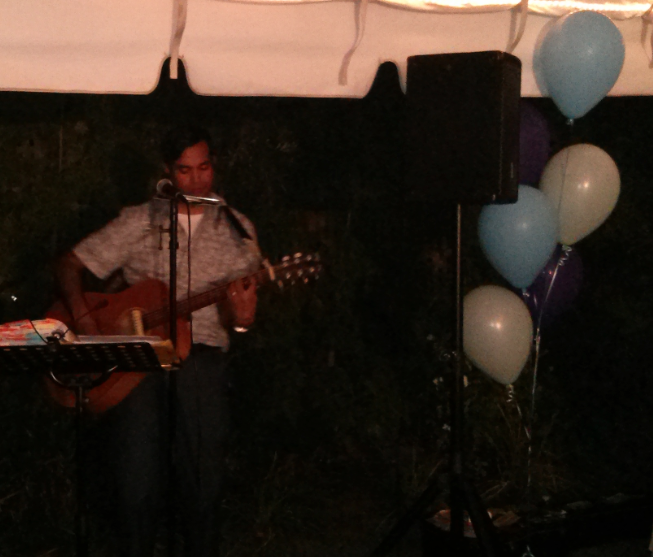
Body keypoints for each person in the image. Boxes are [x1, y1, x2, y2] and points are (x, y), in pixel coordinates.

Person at [55, 125, 261, 557]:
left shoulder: (238, 230)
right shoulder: (140, 221)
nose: (197, 179)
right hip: (137, 356)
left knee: (202, 475)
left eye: (204, 167)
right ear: (168, 171)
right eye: (185, 170)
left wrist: (243, 320)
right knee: (136, 475)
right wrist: (84, 318)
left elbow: (239, 318)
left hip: (201, 352)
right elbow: (71, 264)